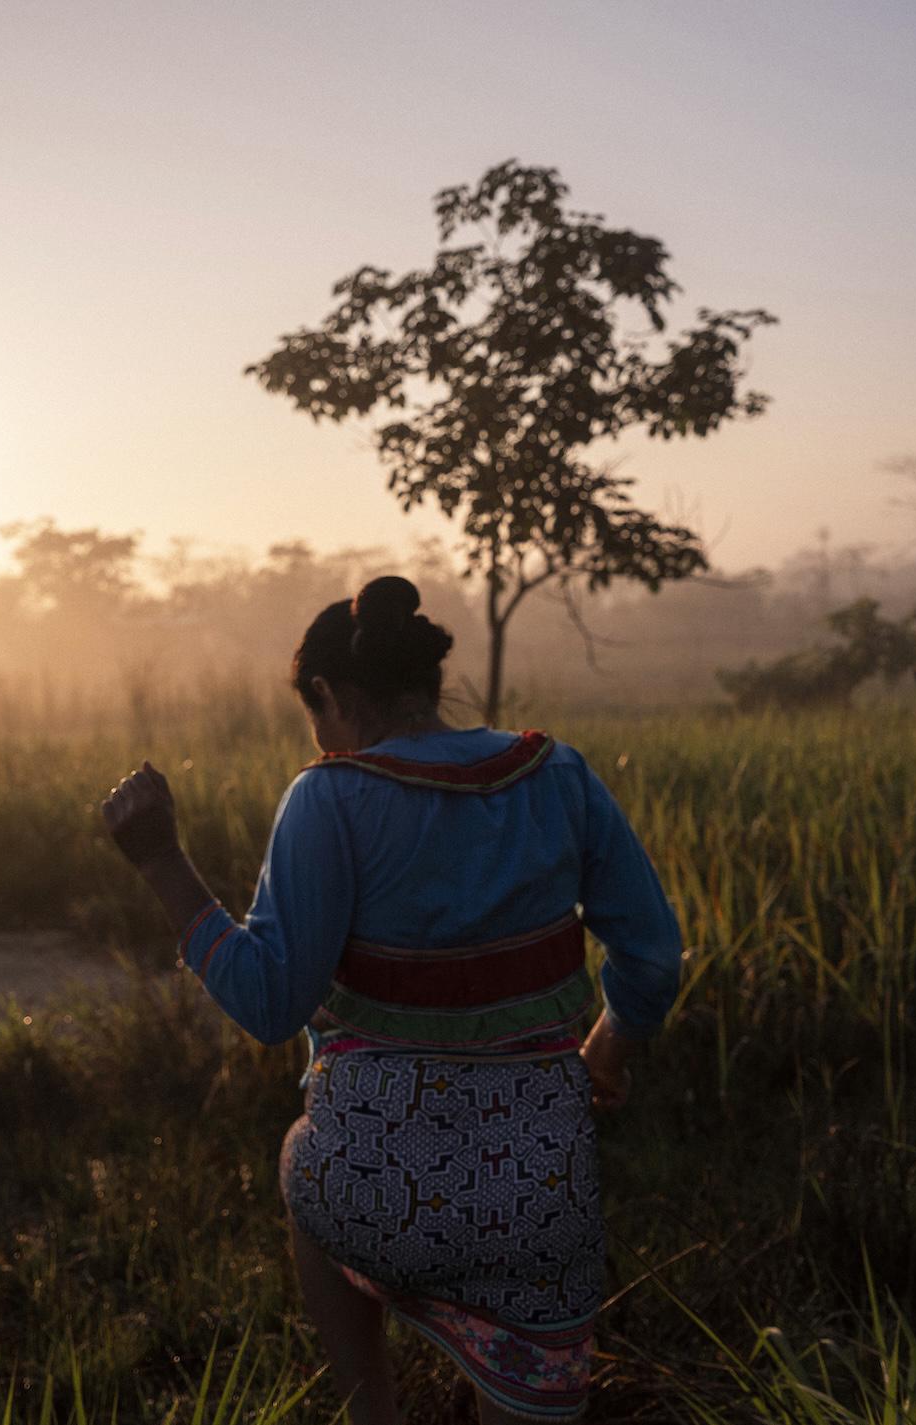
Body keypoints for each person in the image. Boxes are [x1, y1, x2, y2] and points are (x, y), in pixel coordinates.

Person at [99, 575, 683, 1425]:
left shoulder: (328, 797)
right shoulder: (557, 773)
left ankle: (373, 1413)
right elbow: (654, 956)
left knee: (306, 1160)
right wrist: (605, 1052)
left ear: (329, 694)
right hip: (540, 1207)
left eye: (315, 716)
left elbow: (270, 1003)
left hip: (376, 1197)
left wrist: (161, 862)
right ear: (426, 678)